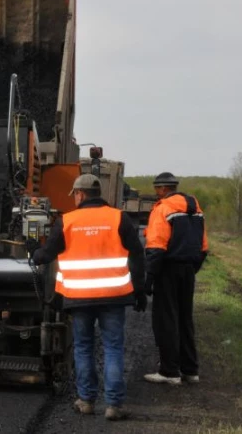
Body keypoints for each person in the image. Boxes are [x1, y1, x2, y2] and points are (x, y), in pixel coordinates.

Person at [28, 174, 146, 421]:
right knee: (113, 347)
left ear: (79, 195)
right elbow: (137, 254)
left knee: (84, 347)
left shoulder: (67, 221)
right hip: (114, 296)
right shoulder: (118, 218)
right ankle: (114, 405)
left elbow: (46, 254)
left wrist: (32, 251)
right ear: (98, 194)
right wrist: (140, 289)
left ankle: (87, 401)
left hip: (79, 297)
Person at [143, 172, 209, 385]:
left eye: (156, 190)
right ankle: (190, 370)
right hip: (188, 269)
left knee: (166, 320)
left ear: (162, 189)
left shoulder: (163, 209)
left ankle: (169, 371)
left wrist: (149, 277)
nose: (156, 194)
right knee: (185, 319)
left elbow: (156, 245)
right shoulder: (196, 209)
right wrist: (191, 269)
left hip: (167, 269)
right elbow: (204, 247)